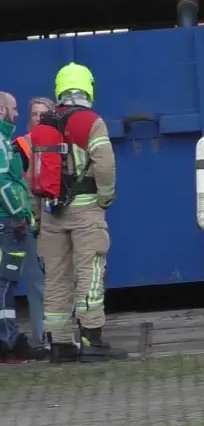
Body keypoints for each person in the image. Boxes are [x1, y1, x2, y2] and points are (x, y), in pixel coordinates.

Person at [40, 64, 124, 363]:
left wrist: (39, 216)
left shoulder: (45, 124)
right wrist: (105, 197)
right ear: (88, 88)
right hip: (86, 208)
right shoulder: (91, 121)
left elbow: (34, 175)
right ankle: (92, 339)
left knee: (56, 277)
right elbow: (104, 165)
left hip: (51, 212)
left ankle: (60, 344)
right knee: (90, 272)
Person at [0, 92, 40, 362]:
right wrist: (18, 215)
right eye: (13, 109)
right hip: (7, 224)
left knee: (7, 285)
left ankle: (8, 339)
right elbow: (4, 183)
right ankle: (8, 341)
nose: (17, 115)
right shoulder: (2, 144)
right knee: (5, 284)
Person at [14, 96, 53, 356]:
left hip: (57, 221)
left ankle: (62, 333)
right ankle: (42, 338)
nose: (39, 118)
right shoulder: (21, 147)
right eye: (35, 114)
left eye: (43, 113)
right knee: (38, 285)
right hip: (31, 225)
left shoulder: (62, 143)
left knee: (63, 282)